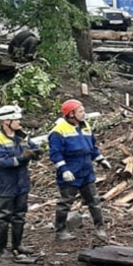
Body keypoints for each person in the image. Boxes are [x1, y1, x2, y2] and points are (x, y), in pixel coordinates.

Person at [49, 99, 111, 240]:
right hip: (71, 172)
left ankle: (100, 228)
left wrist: (101, 159)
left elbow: (92, 147)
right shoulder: (58, 131)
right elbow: (55, 153)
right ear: (71, 114)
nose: (84, 114)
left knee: (94, 201)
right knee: (65, 202)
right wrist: (64, 169)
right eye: (80, 111)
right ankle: (60, 231)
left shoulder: (85, 126)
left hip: (86, 171)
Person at [0, 105, 40, 259]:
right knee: (4, 216)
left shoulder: (22, 136)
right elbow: (4, 162)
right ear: (6, 121)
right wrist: (25, 157)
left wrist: (37, 152)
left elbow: (34, 149)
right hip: (6, 182)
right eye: (16, 119)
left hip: (21, 181)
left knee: (20, 214)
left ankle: (17, 245)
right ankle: (2, 248)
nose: (19, 122)